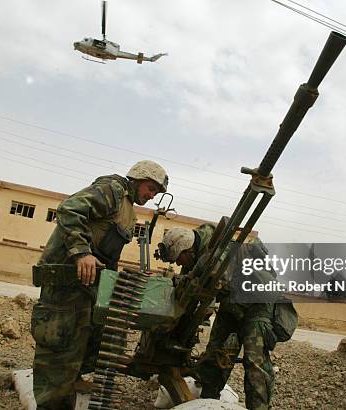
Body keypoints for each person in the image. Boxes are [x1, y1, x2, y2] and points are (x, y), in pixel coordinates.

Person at [30, 160, 168, 410]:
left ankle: (72, 384)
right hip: (66, 289)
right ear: (137, 179)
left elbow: (104, 254)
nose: (151, 196)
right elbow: (70, 209)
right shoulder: (112, 190)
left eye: (156, 193)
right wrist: (81, 252)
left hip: (84, 290)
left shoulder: (126, 208)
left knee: (82, 348)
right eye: (150, 188)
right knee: (59, 358)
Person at [157, 224, 296, 410]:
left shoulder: (219, 251)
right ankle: (207, 402)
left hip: (257, 306)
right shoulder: (199, 256)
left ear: (187, 250)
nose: (179, 264)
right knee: (217, 355)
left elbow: (216, 283)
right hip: (233, 304)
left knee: (255, 363)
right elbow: (192, 283)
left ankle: (259, 407)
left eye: (179, 258)